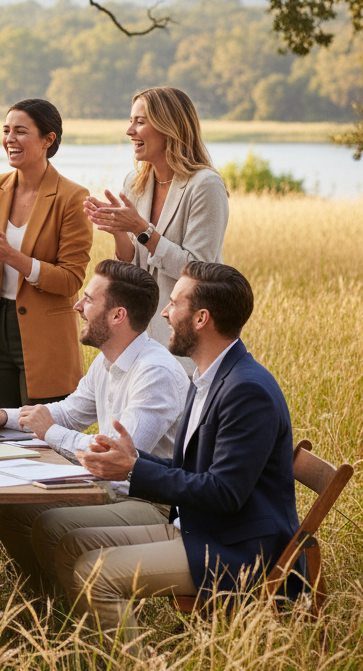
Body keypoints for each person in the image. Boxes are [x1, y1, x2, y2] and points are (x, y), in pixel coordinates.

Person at [67, 262, 304, 642]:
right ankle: (83, 643)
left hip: (237, 550)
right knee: (71, 542)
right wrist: (137, 460)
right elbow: (191, 471)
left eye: (174, 303)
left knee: (94, 573)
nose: (164, 312)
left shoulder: (248, 391)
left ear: (201, 319)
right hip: (200, 529)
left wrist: (132, 470)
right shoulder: (206, 376)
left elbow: (224, 493)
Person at [0, 259, 187, 595]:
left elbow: (112, 458)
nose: (77, 306)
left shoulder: (156, 373)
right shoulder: (108, 358)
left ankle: (74, 610)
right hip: (109, 492)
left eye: (89, 300)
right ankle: (45, 603)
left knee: (51, 524)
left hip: (150, 503)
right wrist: (6, 417)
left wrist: (49, 431)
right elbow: (70, 412)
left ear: (117, 316)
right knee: (9, 514)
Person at [85, 86, 229, 369]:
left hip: (187, 341)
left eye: (140, 121)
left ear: (169, 127)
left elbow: (198, 271)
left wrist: (141, 229)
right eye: (131, 120)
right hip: (139, 339)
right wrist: (117, 228)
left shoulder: (205, 186)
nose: (129, 130)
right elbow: (133, 270)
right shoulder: (134, 183)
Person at [0, 99, 92, 407]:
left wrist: (13, 257)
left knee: (42, 441)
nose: (10, 139)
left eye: (21, 131)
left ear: (48, 140)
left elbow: (71, 280)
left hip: (48, 340)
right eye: (6, 130)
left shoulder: (72, 197)